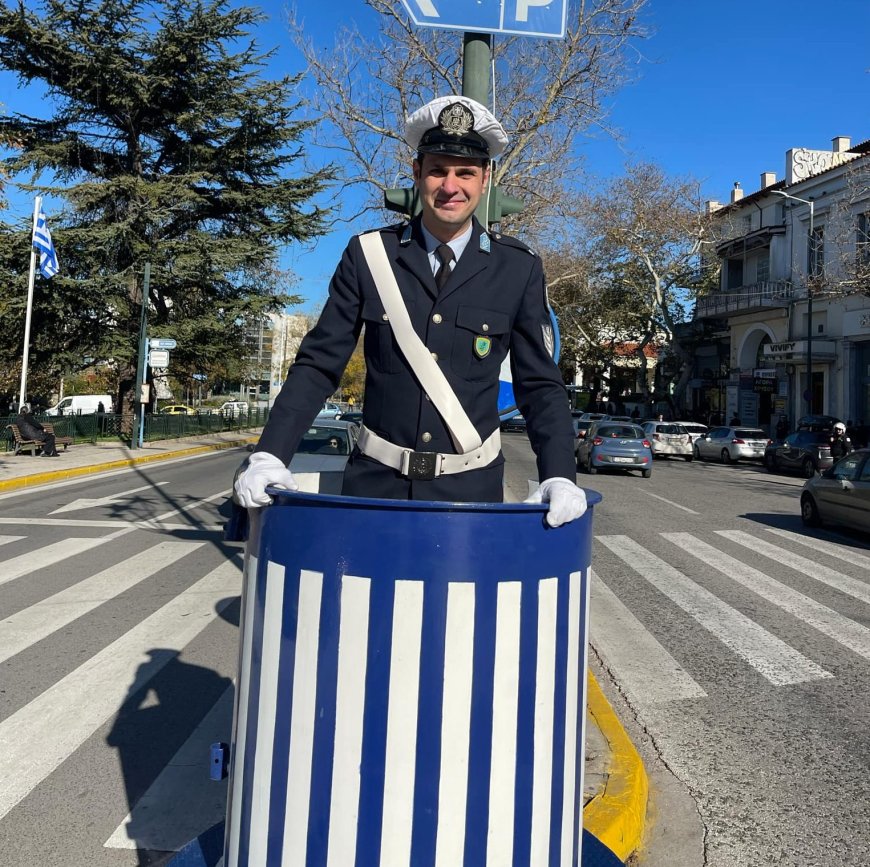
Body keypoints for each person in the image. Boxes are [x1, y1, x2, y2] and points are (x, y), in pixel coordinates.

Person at [235, 95, 585, 527]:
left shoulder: (517, 268)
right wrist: (270, 452)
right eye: (437, 170)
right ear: (417, 172)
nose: (450, 186)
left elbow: (540, 385)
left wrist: (559, 476)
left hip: (469, 496)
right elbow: (318, 364)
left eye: (465, 173)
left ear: (486, 178)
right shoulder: (368, 255)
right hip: (374, 488)